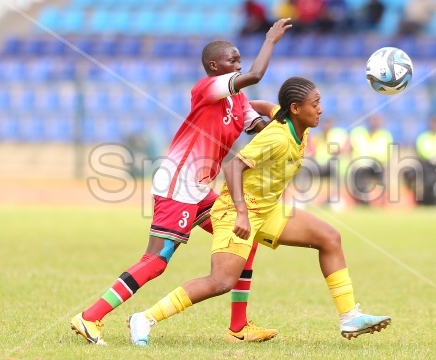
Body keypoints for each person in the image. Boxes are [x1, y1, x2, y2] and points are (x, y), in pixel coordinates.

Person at [70, 19, 293, 345]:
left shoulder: (238, 100)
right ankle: (90, 317)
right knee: (157, 260)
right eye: (233, 60)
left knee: (245, 239)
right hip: (179, 185)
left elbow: (259, 126)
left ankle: (239, 327)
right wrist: (270, 40)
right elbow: (256, 75)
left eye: (240, 59)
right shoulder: (208, 88)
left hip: (200, 189)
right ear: (215, 66)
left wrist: (287, 118)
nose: (239, 64)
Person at [127, 77, 391, 346]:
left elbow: (266, 106)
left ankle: (349, 316)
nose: (321, 109)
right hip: (235, 212)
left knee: (330, 238)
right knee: (221, 281)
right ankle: (144, 318)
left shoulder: (296, 121)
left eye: (320, 102)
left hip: (267, 211)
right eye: (316, 104)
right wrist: (241, 212)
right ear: (296, 108)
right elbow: (233, 168)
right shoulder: (275, 137)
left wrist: (240, 110)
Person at [349, 115, 393, 204]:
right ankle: (362, 200)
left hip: (377, 165)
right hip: (361, 165)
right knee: (356, 173)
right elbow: (352, 149)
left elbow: (387, 155)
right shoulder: (359, 133)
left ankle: (382, 202)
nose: (374, 124)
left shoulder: (384, 135)